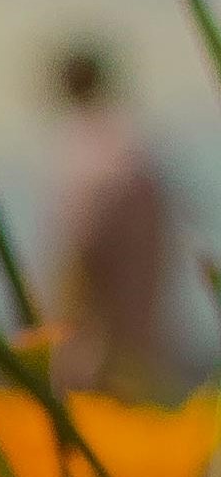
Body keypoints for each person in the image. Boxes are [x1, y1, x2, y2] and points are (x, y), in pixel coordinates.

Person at [46, 33, 177, 389]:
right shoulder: (138, 147)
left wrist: (57, 334)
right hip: (144, 343)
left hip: (96, 353)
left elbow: (80, 251)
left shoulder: (86, 153)